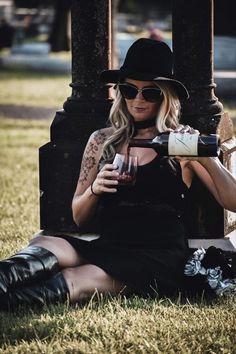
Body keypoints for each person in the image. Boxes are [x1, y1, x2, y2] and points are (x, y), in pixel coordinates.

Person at [1, 39, 236, 311]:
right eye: (128, 90)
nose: (137, 100)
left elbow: (232, 202)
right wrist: (94, 190)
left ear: (166, 95)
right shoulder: (101, 140)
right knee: (45, 243)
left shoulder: (179, 141)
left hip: (156, 256)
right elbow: (79, 216)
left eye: (150, 93)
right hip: (111, 243)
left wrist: (207, 159)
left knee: (75, 280)